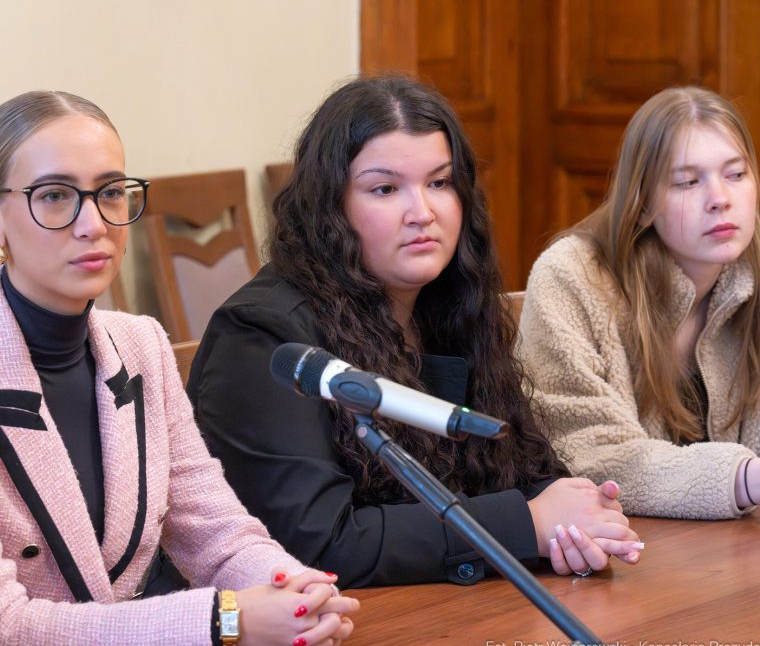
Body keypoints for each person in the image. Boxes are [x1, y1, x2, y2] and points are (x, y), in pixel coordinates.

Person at [0, 91, 358, 646]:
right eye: (55, 196)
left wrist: (296, 592)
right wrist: (223, 620)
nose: (93, 224)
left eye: (109, 193)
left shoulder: (141, 345)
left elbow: (218, 536)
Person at [187, 75, 643, 588]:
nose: (422, 213)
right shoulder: (262, 333)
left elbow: (517, 465)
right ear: (329, 208)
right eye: (385, 189)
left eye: (440, 183)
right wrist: (527, 524)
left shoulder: (452, 306)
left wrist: (575, 515)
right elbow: (311, 541)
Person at [518, 86, 760, 532]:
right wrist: (754, 479)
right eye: (687, 182)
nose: (719, 198)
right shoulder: (571, 278)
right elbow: (589, 455)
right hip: (624, 558)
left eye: (735, 175)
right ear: (641, 204)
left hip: (742, 557)